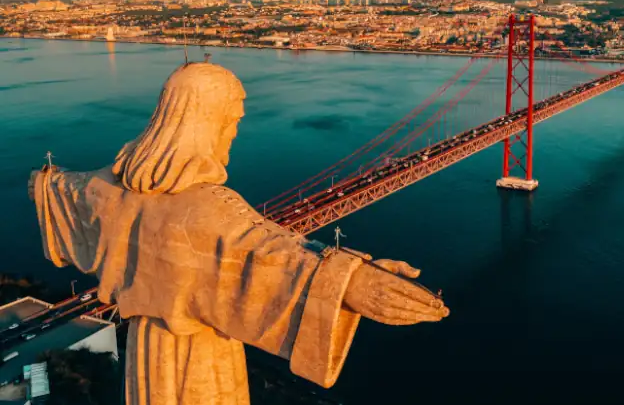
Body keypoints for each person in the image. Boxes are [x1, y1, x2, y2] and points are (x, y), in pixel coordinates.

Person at [30, 63, 449, 405]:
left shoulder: (108, 187)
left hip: (146, 349)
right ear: (205, 122)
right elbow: (267, 257)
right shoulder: (209, 208)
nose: (232, 132)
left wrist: (44, 183)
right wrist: (354, 281)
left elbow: (65, 190)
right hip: (201, 352)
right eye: (229, 122)